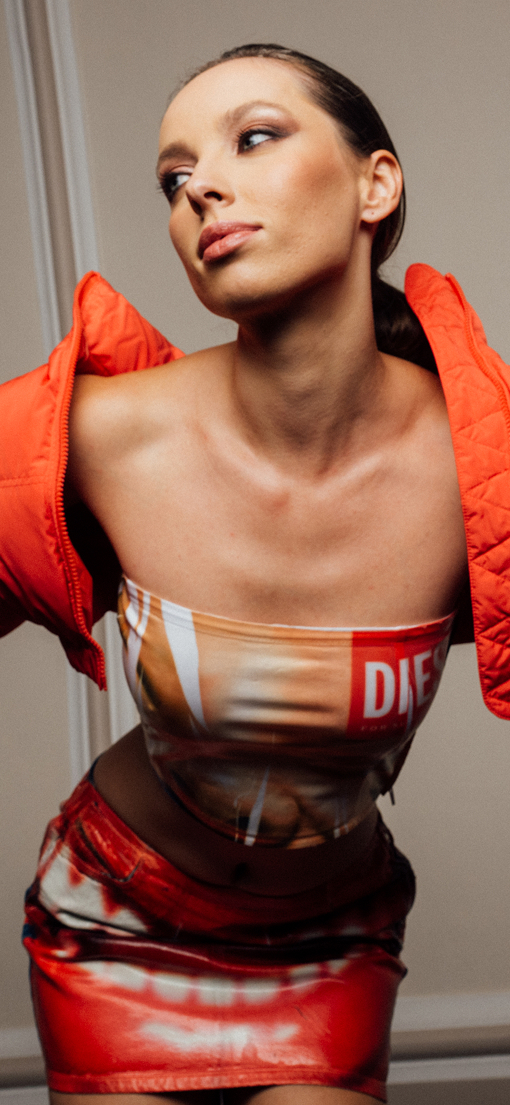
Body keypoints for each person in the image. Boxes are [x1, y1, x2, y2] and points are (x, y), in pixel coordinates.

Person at [2, 41, 509, 1105]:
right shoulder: (91, 436)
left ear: (376, 185)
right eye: (174, 177)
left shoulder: (486, 470)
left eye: (255, 137)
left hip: (330, 940)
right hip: (116, 920)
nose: (201, 188)